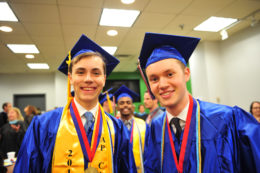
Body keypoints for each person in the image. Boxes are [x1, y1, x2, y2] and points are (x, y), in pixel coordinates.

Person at [138, 32, 260, 173]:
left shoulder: (227, 119)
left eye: (170, 74)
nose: (162, 84)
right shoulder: (155, 127)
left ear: (186, 74)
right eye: (154, 79)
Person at [14, 34, 132, 173]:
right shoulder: (43, 124)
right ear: (70, 77)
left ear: (104, 79)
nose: (88, 79)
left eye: (96, 73)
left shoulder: (117, 128)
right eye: (80, 72)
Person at [114, 85, 149, 173]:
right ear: (117, 107)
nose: (125, 105)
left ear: (133, 106)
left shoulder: (143, 125)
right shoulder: (113, 126)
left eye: (128, 102)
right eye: (121, 103)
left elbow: (150, 152)